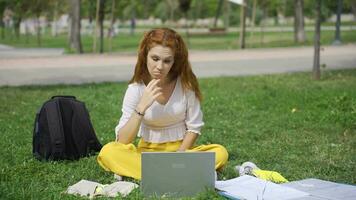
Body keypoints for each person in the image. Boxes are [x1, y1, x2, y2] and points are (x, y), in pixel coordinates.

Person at [97, 28, 228, 180]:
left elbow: (194, 127)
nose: (160, 66)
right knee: (108, 152)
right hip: (146, 154)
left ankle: (156, 174)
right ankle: (178, 174)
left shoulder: (186, 85)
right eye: (155, 58)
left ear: (174, 61)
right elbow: (123, 141)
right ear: (145, 55)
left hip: (181, 151)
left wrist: (179, 156)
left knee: (220, 152)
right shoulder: (135, 89)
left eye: (167, 61)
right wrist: (141, 108)